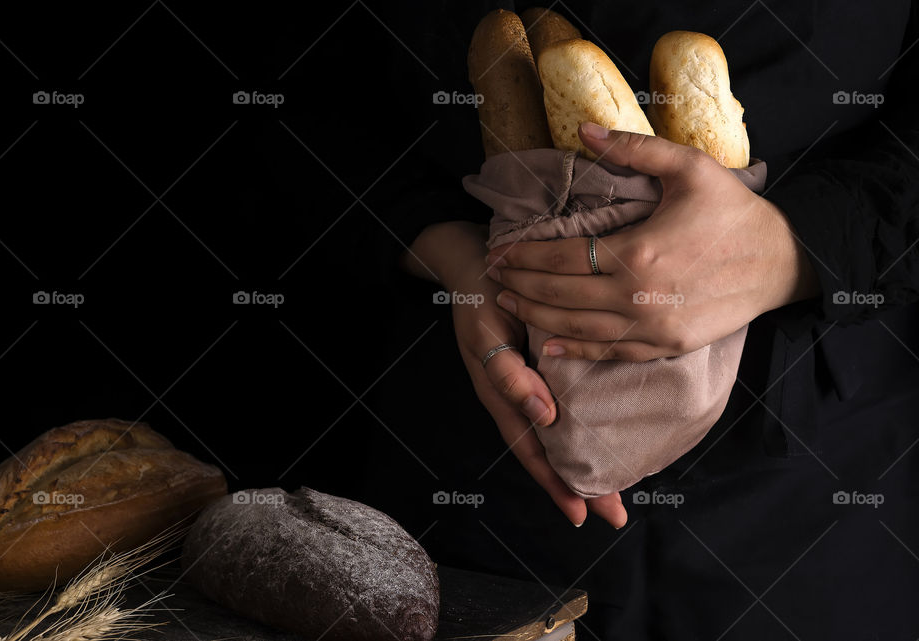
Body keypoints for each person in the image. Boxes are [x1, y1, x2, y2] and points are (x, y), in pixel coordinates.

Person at [361, 1, 919, 638]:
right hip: (468, 465)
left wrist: (793, 246)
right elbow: (295, 90)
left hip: (817, 484)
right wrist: (455, 257)